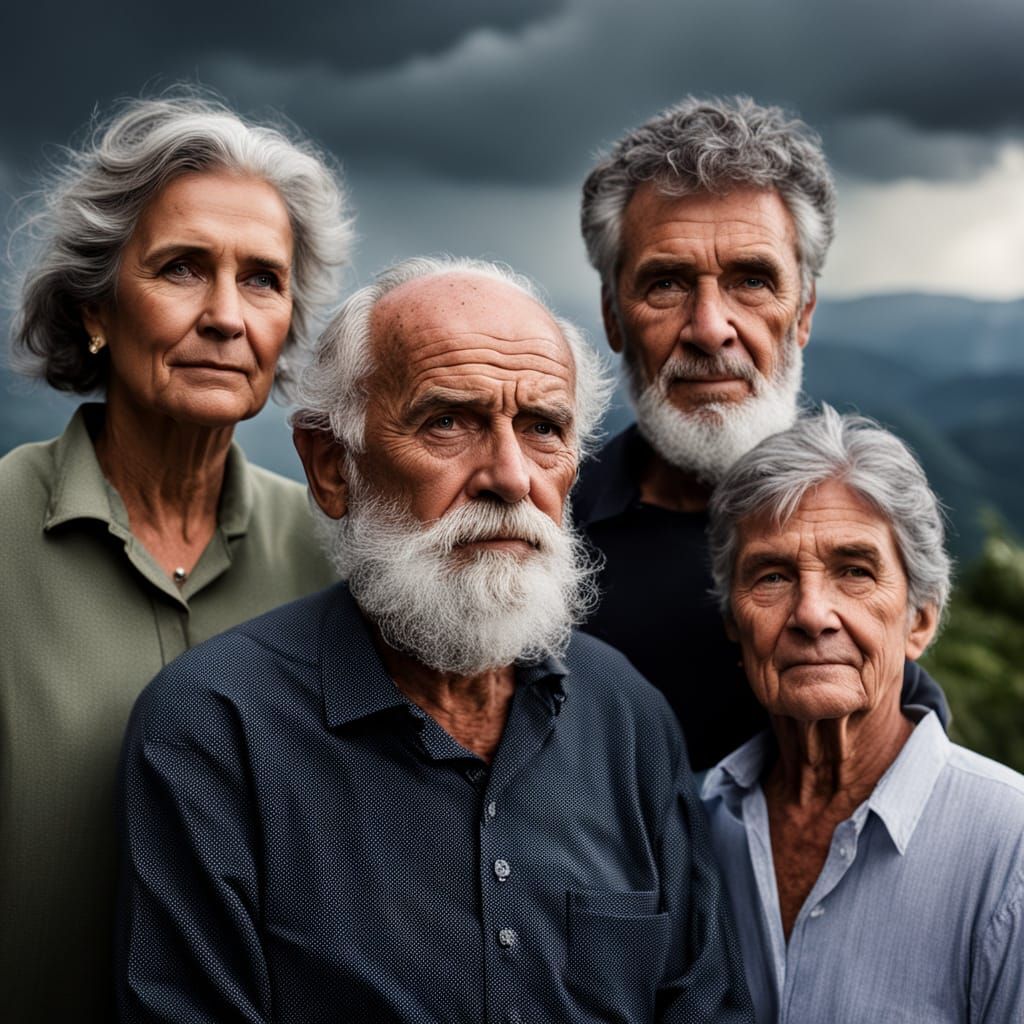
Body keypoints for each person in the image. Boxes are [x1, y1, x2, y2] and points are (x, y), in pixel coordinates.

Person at [116, 257, 754, 1024]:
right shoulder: (214, 730)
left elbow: (705, 1005)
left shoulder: (629, 716)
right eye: (447, 421)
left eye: (544, 428)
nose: (511, 477)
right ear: (330, 465)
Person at [0, 93, 352, 1021]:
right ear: (94, 310)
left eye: (264, 280)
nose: (227, 317)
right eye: (182, 269)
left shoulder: (339, 562)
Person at [575, 95, 947, 769]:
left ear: (802, 313)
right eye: (666, 284)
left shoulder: (867, 517)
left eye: (751, 281)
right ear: (612, 317)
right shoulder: (544, 531)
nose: (711, 328)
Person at [701, 407, 1024, 1022]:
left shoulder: (1011, 846)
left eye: (854, 571)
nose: (812, 614)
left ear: (920, 620)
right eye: (772, 576)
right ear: (734, 628)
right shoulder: (702, 827)